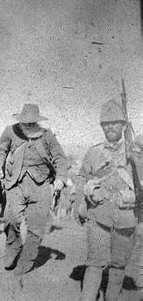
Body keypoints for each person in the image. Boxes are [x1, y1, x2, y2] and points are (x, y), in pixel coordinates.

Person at [0, 104, 68, 275]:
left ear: (37, 122)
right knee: (10, 219)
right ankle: (13, 248)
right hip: (15, 184)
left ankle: (27, 260)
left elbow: (60, 159)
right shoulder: (10, 131)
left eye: (31, 123)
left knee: (36, 226)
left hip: (40, 186)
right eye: (25, 123)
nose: (28, 126)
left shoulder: (47, 136)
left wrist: (61, 179)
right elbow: (0, 151)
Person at [76, 99, 139, 300]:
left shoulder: (136, 153)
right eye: (106, 123)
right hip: (99, 215)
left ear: (124, 125)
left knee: (119, 265)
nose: (110, 127)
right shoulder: (94, 152)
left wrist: (138, 156)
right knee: (95, 263)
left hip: (127, 216)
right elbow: (81, 177)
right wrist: (85, 188)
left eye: (115, 123)